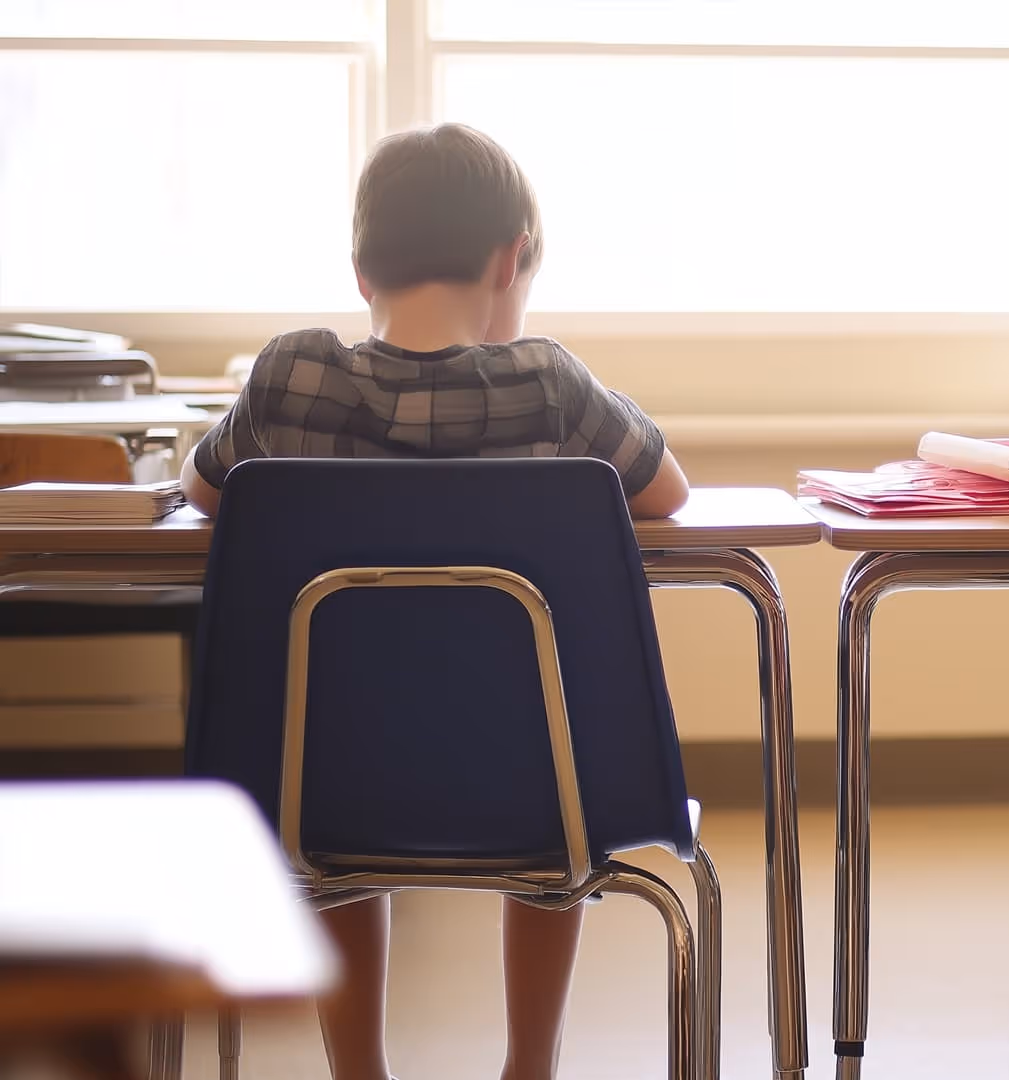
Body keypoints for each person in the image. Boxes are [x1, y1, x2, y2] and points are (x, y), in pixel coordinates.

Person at [182, 123, 688, 1080]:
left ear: (361, 271)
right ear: (509, 259)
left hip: (317, 783)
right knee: (551, 756)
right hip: (537, 786)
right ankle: (529, 1065)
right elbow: (667, 492)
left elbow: (206, 490)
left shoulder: (289, 378)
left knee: (329, 765)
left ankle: (358, 1069)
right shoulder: (551, 385)